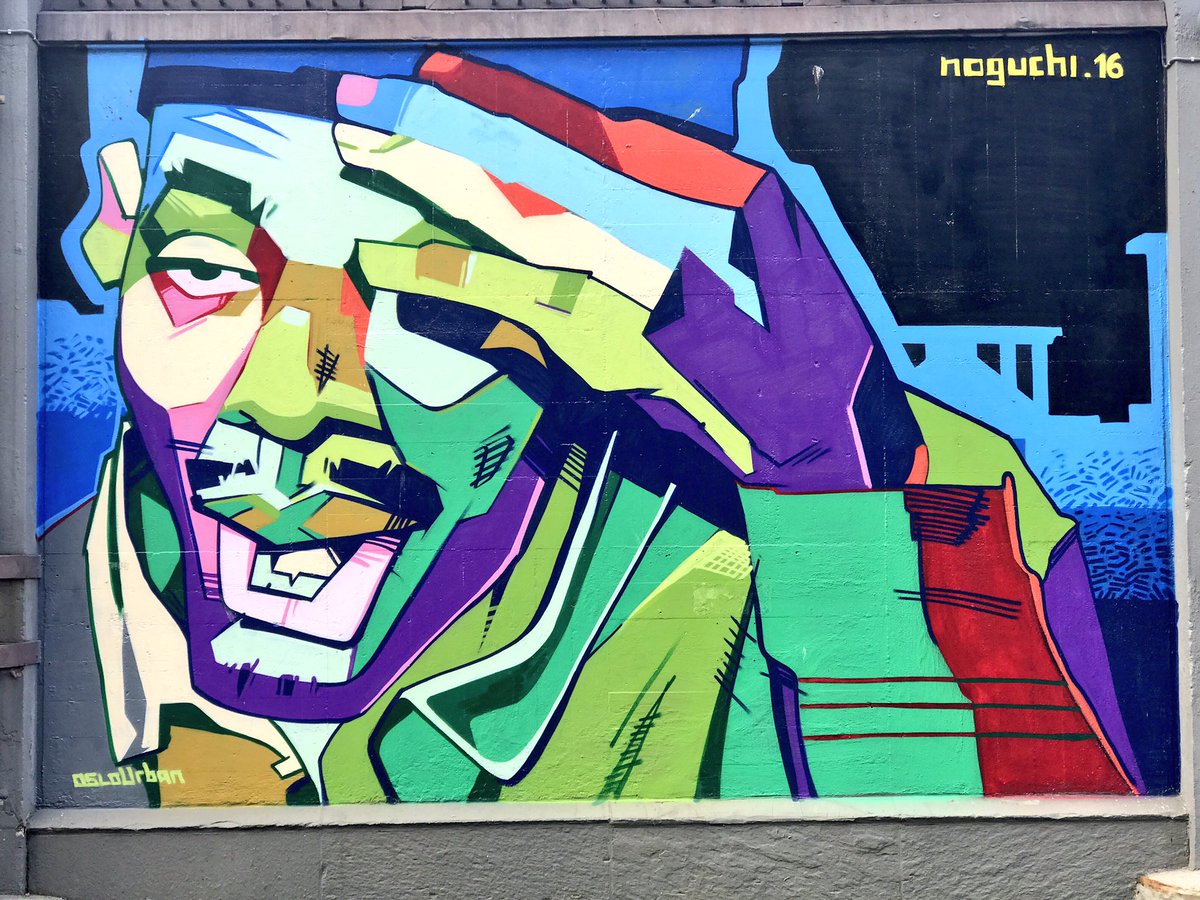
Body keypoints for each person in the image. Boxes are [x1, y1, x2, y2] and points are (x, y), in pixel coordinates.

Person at [75, 49, 1142, 805]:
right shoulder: (57, 595)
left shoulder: (922, 520)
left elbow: (995, 859)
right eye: (203, 270)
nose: (294, 402)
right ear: (117, 227)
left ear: (584, 325)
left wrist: (835, 493)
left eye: (430, 300)